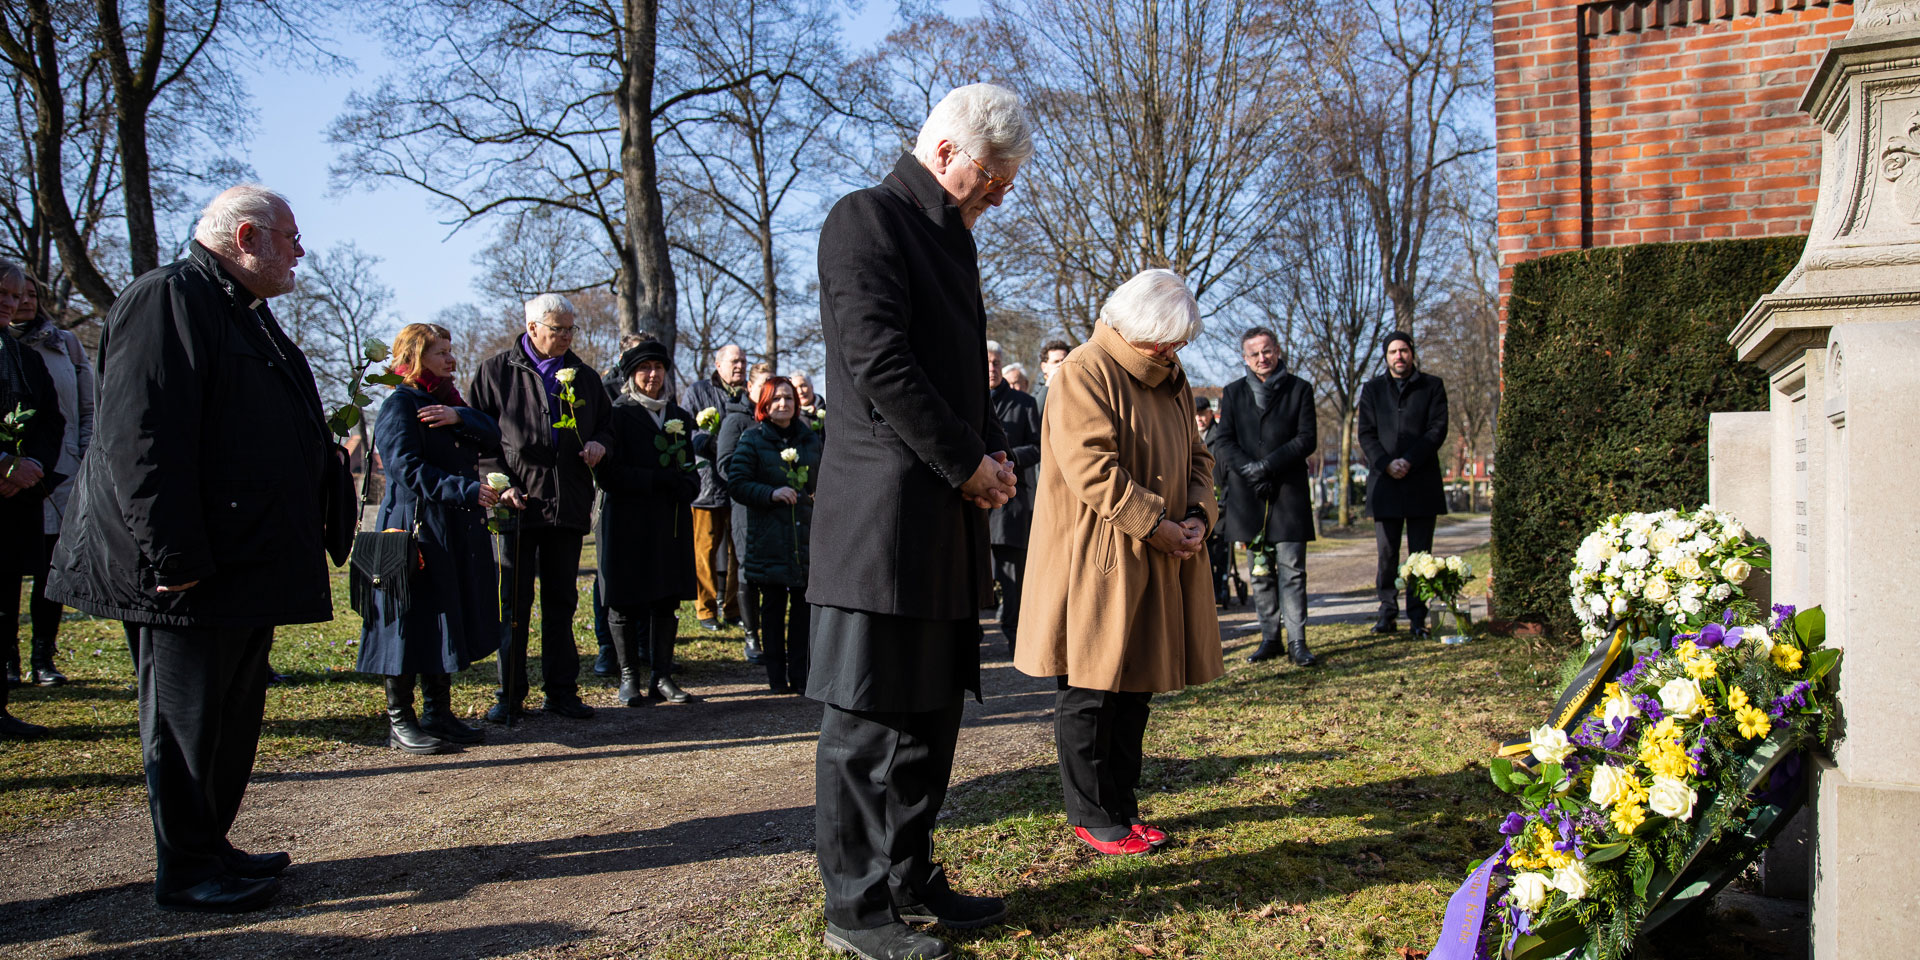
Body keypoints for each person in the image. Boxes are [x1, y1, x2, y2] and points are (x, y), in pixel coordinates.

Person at [46, 185, 338, 911]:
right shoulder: (166, 299)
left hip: (244, 560)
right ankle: (185, 868)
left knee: (231, 717)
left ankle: (211, 845)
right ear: (248, 236)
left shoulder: (245, 312)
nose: (300, 252)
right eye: (291, 237)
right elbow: (138, 438)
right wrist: (170, 556)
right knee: (186, 723)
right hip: (186, 569)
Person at [809, 83, 1030, 960]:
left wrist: (989, 457)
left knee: (932, 715)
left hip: (943, 516)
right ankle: (856, 910)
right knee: (868, 723)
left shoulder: (954, 243)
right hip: (882, 520)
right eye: (994, 174)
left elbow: (954, 378)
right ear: (945, 153)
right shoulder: (864, 220)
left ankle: (907, 873)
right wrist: (967, 459)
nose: (1001, 192)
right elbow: (879, 364)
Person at [1015, 269, 1223, 856]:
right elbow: (1092, 469)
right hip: (1099, 558)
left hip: (1160, 553)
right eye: (1168, 340)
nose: (1175, 351)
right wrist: (1157, 525)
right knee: (1090, 688)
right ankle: (1091, 812)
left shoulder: (1174, 379)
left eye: (1180, 342)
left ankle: (1122, 807)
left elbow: (1200, 459)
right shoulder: (1082, 371)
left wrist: (1198, 519)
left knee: (1136, 688)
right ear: (1138, 328)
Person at [356, 323, 501, 754]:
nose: (451, 360)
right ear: (416, 356)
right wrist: (468, 490)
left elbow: (491, 432)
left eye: (451, 351)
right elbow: (407, 470)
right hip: (412, 530)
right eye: (441, 352)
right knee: (405, 623)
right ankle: (400, 721)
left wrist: (460, 416)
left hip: (449, 530)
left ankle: (439, 713)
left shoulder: (447, 403)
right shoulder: (400, 405)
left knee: (443, 618)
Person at [468, 293, 611, 723]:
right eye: (558, 330)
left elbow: (607, 424)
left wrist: (600, 444)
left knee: (561, 602)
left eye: (571, 329)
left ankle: (561, 692)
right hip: (516, 506)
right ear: (533, 329)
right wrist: (502, 484)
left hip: (566, 504)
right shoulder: (496, 372)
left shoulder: (583, 376)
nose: (566, 336)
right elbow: (480, 438)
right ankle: (509, 694)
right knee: (514, 603)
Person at [594, 340, 701, 706]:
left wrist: (687, 484)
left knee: (665, 598)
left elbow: (688, 467)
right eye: (644, 368)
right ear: (630, 375)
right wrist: (655, 480)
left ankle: (662, 676)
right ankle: (629, 677)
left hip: (667, 521)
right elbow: (609, 474)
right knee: (624, 599)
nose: (653, 375)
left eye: (658, 367)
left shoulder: (679, 418)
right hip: (627, 519)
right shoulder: (617, 415)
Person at [3, 261, 90, 688]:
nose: (18, 303)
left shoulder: (58, 347)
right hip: (11, 477)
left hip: (52, 474)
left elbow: (71, 412)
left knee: (49, 566)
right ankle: (8, 664)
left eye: (24, 295)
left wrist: (47, 459)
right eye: (8, 294)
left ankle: (43, 657)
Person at [1211, 327, 1319, 666]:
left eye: (1267, 350)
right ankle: (1269, 636)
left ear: (1277, 350)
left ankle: (1297, 642)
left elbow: (1306, 438)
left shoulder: (1300, 389)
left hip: (1287, 493)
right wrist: (1251, 471)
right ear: (1245, 357)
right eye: (1254, 353)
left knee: (1292, 569)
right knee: (1259, 572)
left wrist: (1268, 466)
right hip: (1249, 495)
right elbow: (1225, 441)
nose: (1262, 358)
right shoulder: (1232, 392)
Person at [0, 261, 65, 739]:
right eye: (1, 293)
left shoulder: (22, 356)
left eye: (15, 295)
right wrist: (3, 463)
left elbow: (51, 419)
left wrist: (33, 466)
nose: (9, 301)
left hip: (19, 497)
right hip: (8, 479)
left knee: (6, 600)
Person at [728, 376, 824, 694]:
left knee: (802, 609)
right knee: (772, 609)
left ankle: (800, 675)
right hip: (769, 535)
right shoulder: (753, 439)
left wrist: (817, 494)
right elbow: (737, 482)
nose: (783, 404)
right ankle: (775, 677)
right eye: (776, 399)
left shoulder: (809, 439)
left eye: (789, 398)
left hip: (803, 537)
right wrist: (770, 493)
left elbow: (824, 476)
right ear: (764, 405)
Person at [1357, 330, 1449, 639]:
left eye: (1404, 350)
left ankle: (1417, 616)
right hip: (1385, 485)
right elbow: (1366, 434)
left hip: (1421, 481)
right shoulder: (1371, 391)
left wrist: (1409, 459)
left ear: (1412, 353)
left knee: (1420, 555)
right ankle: (1387, 613)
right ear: (1386, 356)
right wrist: (1386, 463)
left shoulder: (1432, 387)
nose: (1399, 356)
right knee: (1387, 554)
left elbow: (1437, 429)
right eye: (1393, 351)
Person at [591, 333, 648, 679]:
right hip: (611, 491)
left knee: (645, 572)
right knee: (608, 575)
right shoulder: (604, 389)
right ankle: (606, 647)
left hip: (645, 493)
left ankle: (643, 644)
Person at [684, 344, 751, 633]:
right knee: (705, 551)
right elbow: (684, 428)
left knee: (739, 551)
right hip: (707, 485)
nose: (740, 366)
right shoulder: (698, 391)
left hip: (739, 484)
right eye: (734, 361)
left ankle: (734, 608)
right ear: (718, 364)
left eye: (744, 362)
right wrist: (709, 442)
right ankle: (706, 609)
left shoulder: (749, 395)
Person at [985, 340, 1040, 655]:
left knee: (1012, 581)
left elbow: (1037, 446)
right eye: (987, 362)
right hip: (974, 504)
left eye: (996, 362)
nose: (991, 367)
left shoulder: (1024, 402)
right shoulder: (966, 398)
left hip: (1010, 506)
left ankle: (1016, 639)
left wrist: (1006, 459)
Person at [718, 362, 774, 661]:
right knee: (748, 571)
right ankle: (752, 637)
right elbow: (725, 465)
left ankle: (775, 635)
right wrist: (759, 485)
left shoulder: (778, 420)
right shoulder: (736, 421)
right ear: (750, 388)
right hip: (747, 508)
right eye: (762, 385)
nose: (769, 391)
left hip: (777, 509)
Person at [1194, 397, 1234, 608]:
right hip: (1198, 502)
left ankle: (1219, 588)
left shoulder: (1221, 438)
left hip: (1221, 502)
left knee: (1219, 551)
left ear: (1211, 413)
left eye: (1202, 413)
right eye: (1196, 414)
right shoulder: (1187, 435)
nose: (1199, 418)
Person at [1033, 339, 1070, 413]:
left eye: (1064, 361)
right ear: (1044, 367)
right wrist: (1048, 386)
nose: (1061, 365)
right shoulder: (1036, 392)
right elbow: (1036, 415)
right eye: (1056, 362)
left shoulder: (1076, 384)